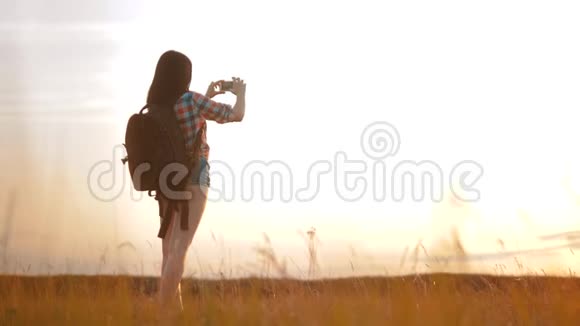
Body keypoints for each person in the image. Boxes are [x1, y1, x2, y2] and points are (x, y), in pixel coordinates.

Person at [146, 50, 246, 313]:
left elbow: (185, 122)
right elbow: (235, 114)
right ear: (184, 76)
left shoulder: (158, 104)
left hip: (166, 183)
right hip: (194, 179)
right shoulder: (190, 100)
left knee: (169, 251)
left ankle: (173, 315)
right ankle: (164, 314)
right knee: (180, 249)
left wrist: (207, 97)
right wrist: (241, 93)